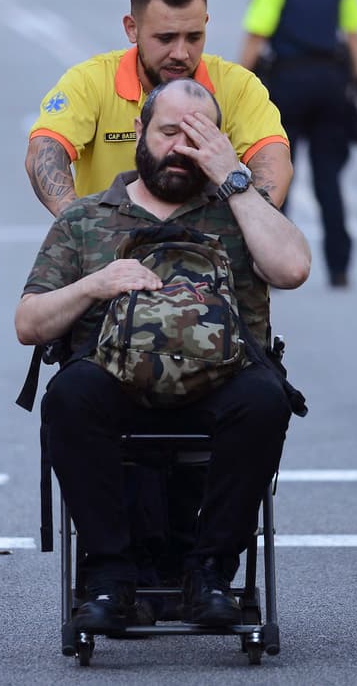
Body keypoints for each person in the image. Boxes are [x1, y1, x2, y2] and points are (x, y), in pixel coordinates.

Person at [15, 78, 311, 631]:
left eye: (197, 135)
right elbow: (28, 323)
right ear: (140, 137)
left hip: (219, 381)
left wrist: (233, 179)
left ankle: (212, 574)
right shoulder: (86, 218)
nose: (180, 147)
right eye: (169, 131)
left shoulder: (239, 209)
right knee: (70, 396)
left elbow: (292, 268)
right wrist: (93, 285)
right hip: (116, 383)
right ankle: (109, 579)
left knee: (266, 400)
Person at [25, 0, 294, 217]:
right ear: (132, 28)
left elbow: (274, 162)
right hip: (110, 257)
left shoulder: (238, 85)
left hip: (206, 254)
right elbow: (44, 152)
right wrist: (82, 230)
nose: (181, 53)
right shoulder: (89, 81)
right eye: (165, 38)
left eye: (193, 37)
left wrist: (248, 227)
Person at [239, 0, 357, 289]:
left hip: (286, 85)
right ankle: (339, 265)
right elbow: (353, 34)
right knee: (329, 179)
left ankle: (278, 262)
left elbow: (256, 34)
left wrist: (237, 84)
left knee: (279, 174)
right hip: (331, 85)